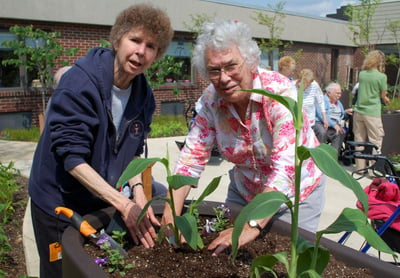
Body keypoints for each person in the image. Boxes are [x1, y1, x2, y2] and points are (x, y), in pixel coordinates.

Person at [28, 4, 173, 277]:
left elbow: (133, 152)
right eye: (135, 40)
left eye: (151, 46)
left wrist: (139, 196)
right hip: (59, 200)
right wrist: (123, 203)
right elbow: (72, 158)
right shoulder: (80, 83)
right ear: (118, 39)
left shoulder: (143, 95)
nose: (141, 51)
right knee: (62, 270)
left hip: (99, 198)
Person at [161, 20, 326, 256]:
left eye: (231, 66)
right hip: (245, 190)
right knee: (227, 255)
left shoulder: (280, 95)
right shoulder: (211, 100)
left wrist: (251, 224)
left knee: (285, 261)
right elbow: (191, 159)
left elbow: (286, 170)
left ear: (250, 62)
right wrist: (171, 213)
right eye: (214, 71)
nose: (224, 78)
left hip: (295, 197)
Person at [353, 50, 390, 172]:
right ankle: (374, 170)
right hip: (372, 113)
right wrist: (386, 99)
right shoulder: (381, 77)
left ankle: (360, 168)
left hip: (359, 111)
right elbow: (383, 95)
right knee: (376, 141)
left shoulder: (362, 74)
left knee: (359, 140)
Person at [314, 82, 353, 155]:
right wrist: (334, 125)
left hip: (333, 125)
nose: (339, 95)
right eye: (337, 93)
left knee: (340, 132)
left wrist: (346, 112)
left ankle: (333, 157)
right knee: (322, 132)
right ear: (329, 93)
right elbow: (321, 115)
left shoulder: (338, 103)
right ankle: (318, 155)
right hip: (321, 123)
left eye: (340, 93)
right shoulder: (322, 101)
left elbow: (340, 115)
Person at [299, 68, 328, 143]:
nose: (308, 85)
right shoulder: (293, 86)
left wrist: (325, 118)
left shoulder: (314, 85)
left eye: (309, 83)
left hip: (310, 120)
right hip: (299, 120)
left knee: (322, 132)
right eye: (306, 83)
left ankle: (318, 153)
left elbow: (321, 101)